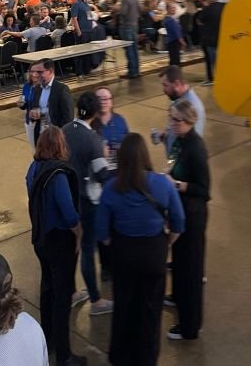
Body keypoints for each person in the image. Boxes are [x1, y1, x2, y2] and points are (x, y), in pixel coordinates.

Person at [96, 133, 185, 366]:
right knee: (150, 310)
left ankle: (120, 356)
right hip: (153, 254)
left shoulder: (111, 188)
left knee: (124, 306)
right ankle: (147, 357)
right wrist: (166, 243)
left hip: (124, 254)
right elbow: (179, 221)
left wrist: (115, 244)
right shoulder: (162, 184)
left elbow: (101, 232)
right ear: (145, 155)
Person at [27, 126, 86, 366]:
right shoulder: (58, 175)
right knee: (62, 298)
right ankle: (64, 356)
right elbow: (69, 213)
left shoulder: (33, 168)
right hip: (60, 242)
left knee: (47, 289)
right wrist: (79, 233)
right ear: (60, 146)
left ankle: (48, 340)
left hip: (41, 238)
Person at [64, 92, 115, 316]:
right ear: (94, 113)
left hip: (69, 196)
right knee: (86, 249)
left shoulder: (65, 130)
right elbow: (102, 174)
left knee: (72, 247)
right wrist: (107, 156)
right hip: (88, 199)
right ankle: (96, 300)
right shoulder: (93, 140)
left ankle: (72, 292)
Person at [165, 98, 211, 342]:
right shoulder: (180, 141)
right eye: (171, 118)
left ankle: (189, 326)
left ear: (188, 121)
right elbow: (173, 165)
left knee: (191, 270)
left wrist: (177, 184)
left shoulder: (196, 148)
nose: (172, 123)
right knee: (180, 263)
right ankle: (177, 298)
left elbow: (204, 190)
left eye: (176, 120)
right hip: (180, 212)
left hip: (193, 216)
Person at [152, 65, 207, 158]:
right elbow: (178, 130)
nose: (163, 90)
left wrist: (179, 164)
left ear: (177, 84)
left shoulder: (193, 107)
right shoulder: (177, 99)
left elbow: (193, 142)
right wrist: (165, 136)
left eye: (165, 85)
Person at [22, 60, 72, 145]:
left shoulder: (61, 89)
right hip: (40, 135)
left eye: (40, 72)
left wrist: (59, 136)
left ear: (50, 71)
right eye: (35, 72)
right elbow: (35, 109)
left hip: (56, 137)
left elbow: (68, 117)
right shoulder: (37, 88)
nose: (36, 75)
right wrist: (32, 115)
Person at [116, 0, 143, 78]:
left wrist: (117, 8)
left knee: (129, 49)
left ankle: (132, 72)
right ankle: (137, 70)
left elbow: (123, 12)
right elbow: (140, 10)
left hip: (127, 26)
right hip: (134, 24)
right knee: (134, 48)